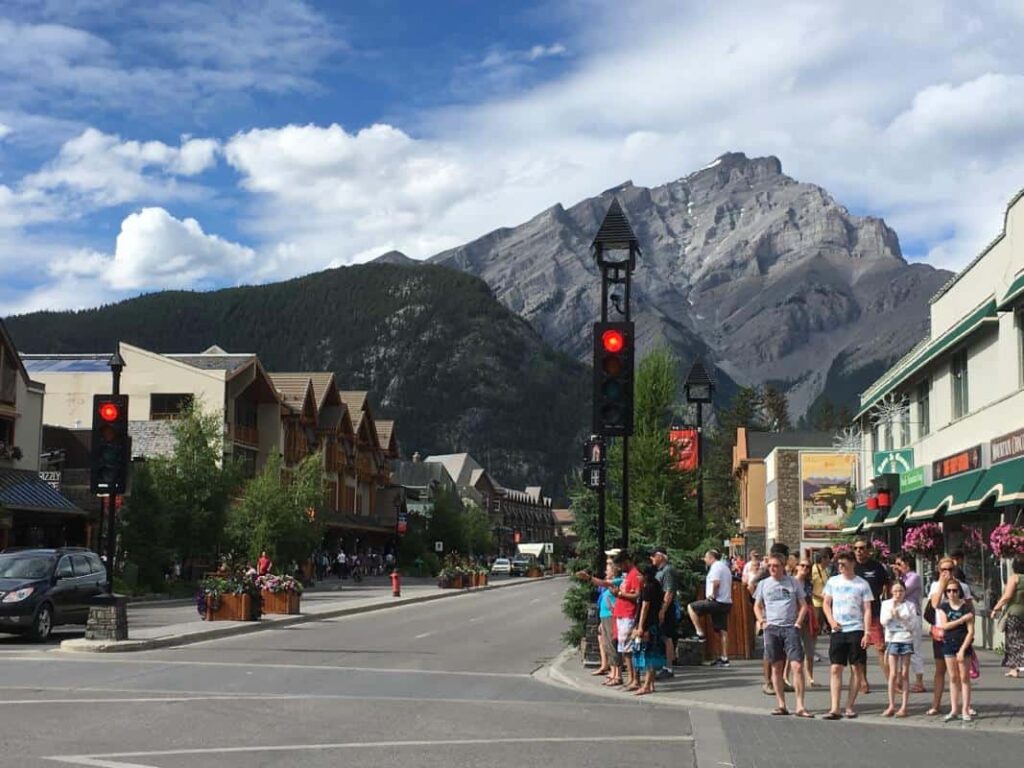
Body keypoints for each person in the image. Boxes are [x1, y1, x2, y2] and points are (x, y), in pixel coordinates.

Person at [753, 554, 813, 717]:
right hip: (772, 628)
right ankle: (781, 704)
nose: (772, 568)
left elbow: (803, 605)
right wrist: (762, 621)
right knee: (776, 667)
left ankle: (800, 705)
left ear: (783, 567)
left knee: (797, 666)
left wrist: (798, 623)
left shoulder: (793, 582)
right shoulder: (764, 584)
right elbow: (757, 606)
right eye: (770, 566)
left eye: (775, 566)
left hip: (790, 628)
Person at [821, 551, 874, 719]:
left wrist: (867, 632)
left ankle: (849, 706)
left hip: (856, 628)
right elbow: (826, 604)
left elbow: (867, 610)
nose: (840, 567)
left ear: (852, 564)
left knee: (856, 668)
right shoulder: (833, 582)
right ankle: (834, 707)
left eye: (844, 564)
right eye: (839, 564)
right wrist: (830, 621)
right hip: (838, 629)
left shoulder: (862, 584)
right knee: (836, 667)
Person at [926, 557, 974, 716]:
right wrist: (942, 585)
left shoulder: (963, 587)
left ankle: (965, 706)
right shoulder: (935, 585)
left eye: (950, 569)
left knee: (962, 673)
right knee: (941, 670)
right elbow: (934, 604)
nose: (946, 572)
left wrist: (970, 632)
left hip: (960, 634)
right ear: (938, 571)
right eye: (943, 569)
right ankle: (936, 704)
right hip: (940, 632)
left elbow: (969, 609)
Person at [749, 542, 790, 695]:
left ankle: (779, 680)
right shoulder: (767, 570)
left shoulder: (783, 570)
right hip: (769, 617)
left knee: (784, 650)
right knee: (769, 651)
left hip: (785, 618)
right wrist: (761, 605)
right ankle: (767, 682)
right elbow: (751, 584)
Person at [852, 537, 890, 693]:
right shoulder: (851, 567)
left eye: (862, 548)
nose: (859, 551)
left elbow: (886, 584)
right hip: (855, 615)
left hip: (874, 612)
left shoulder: (877, 567)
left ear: (868, 550)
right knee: (859, 651)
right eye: (856, 548)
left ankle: (891, 682)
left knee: (881, 648)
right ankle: (863, 682)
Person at [937, 579, 975, 721]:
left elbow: (971, 631)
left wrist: (963, 649)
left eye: (955, 590)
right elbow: (944, 626)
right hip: (949, 643)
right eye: (949, 591)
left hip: (963, 644)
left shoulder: (966, 608)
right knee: (953, 678)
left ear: (959, 592)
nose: (952, 593)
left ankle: (965, 709)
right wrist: (961, 620)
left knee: (964, 678)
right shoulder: (944, 607)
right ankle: (954, 709)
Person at [688, 549, 733, 667]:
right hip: (726, 601)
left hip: (717, 601)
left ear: (711, 558)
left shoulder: (716, 567)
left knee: (691, 607)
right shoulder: (724, 567)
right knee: (722, 630)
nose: (705, 560)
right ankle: (724, 658)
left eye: (706, 558)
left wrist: (712, 594)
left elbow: (716, 583)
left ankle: (700, 633)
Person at [880, 580, 917, 717]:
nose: (898, 594)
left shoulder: (910, 606)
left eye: (900, 591)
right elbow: (883, 622)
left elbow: (913, 625)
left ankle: (904, 706)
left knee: (904, 673)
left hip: (906, 639)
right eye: (895, 591)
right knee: (893, 673)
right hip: (892, 640)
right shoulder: (886, 604)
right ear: (891, 592)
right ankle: (891, 705)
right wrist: (892, 614)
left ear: (905, 592)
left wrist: (900, 617)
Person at [631, 564, 667, 695]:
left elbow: (645, 608)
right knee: (652, 653)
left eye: (639, 575)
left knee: (648, 655)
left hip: (648, 625)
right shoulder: (657, 585)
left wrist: (640, 626)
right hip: (655, 623)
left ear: (645, 576)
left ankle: (646, 685)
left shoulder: (648, 588)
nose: (637, 577)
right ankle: (650, 684)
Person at [893, 552, 926, 692]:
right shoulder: (901, 577)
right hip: (899, 614)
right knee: (898, 648)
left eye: (899, 564)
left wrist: (897, 576)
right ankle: (899, 682)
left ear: (907, 563)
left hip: (912, 615)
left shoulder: (914, 577)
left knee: (914, 649)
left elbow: (902, 591)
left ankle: (919, 681)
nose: (897, 567)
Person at [991, 555, 1024, 678]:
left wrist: (996, 608)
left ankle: (1014, 668)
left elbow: (1007, 596)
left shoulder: (1014, 578)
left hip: (1014, 613)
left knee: (1013, 640)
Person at [651, 547, 679, 679]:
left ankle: (668, 667)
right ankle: (663, 665)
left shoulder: (667, 571)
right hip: (660, 607)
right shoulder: (659, 571)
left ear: (660, 556)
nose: (651, 558)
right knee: (662, 637)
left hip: (666, 609)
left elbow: (669, 592)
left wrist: (663, 610)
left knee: (667, 637)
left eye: (653, 556)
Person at [794, 558, 818, 687]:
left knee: (809, 649)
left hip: (808, 617)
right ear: (797, 566)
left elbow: (810, 601)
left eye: (807, 567)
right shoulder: (791, 581)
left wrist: (814, 618)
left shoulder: (808, 583)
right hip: (794, 617)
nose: (805, 568)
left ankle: (810, 677)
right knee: (792, 649)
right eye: (802, 565)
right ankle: (786, 677)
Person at [810, 549, 832, 636]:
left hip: (824, 602)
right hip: (816, 603)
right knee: (815, 629)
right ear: (823, 559)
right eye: (828, 559)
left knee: (819, 629)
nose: (829, 561)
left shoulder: (825, 570)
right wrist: (817, 595)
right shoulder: (814, 569)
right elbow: (809, 586)